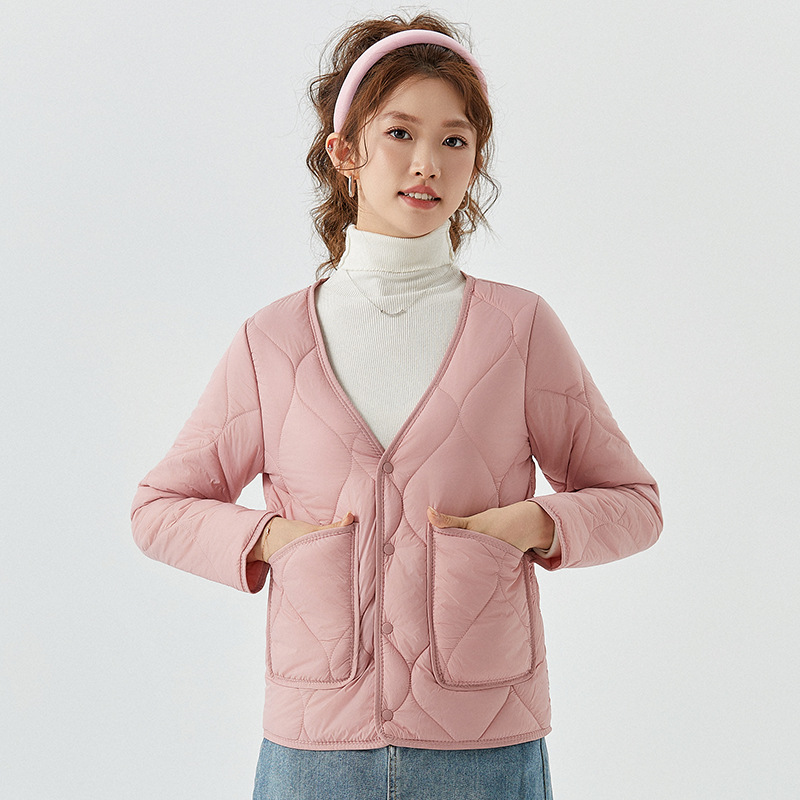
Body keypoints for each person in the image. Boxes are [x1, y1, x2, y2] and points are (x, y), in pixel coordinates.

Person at [131, 11, 663, 800]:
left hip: (484, 745)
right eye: (400, 133)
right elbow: (159, 509)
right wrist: (270, 539)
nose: (427, 163)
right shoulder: (271, 341)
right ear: (345, 152)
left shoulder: (519, 329)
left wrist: (534, 524)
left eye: (454, 140)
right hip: (317, 751)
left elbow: (635, 503)